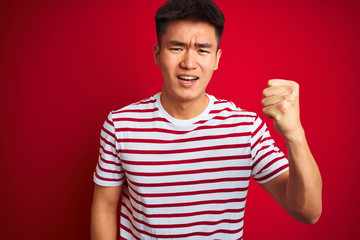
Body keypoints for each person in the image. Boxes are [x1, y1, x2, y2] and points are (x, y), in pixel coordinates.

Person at [90, 0, 322, 239]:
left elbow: (308, 212)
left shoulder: (245, 128)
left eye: (202, 50)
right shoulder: (121, 125)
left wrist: (295, 134)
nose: (189, 63)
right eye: (177, 48)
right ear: (158, 55)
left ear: (217, 59)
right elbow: (105, 207)